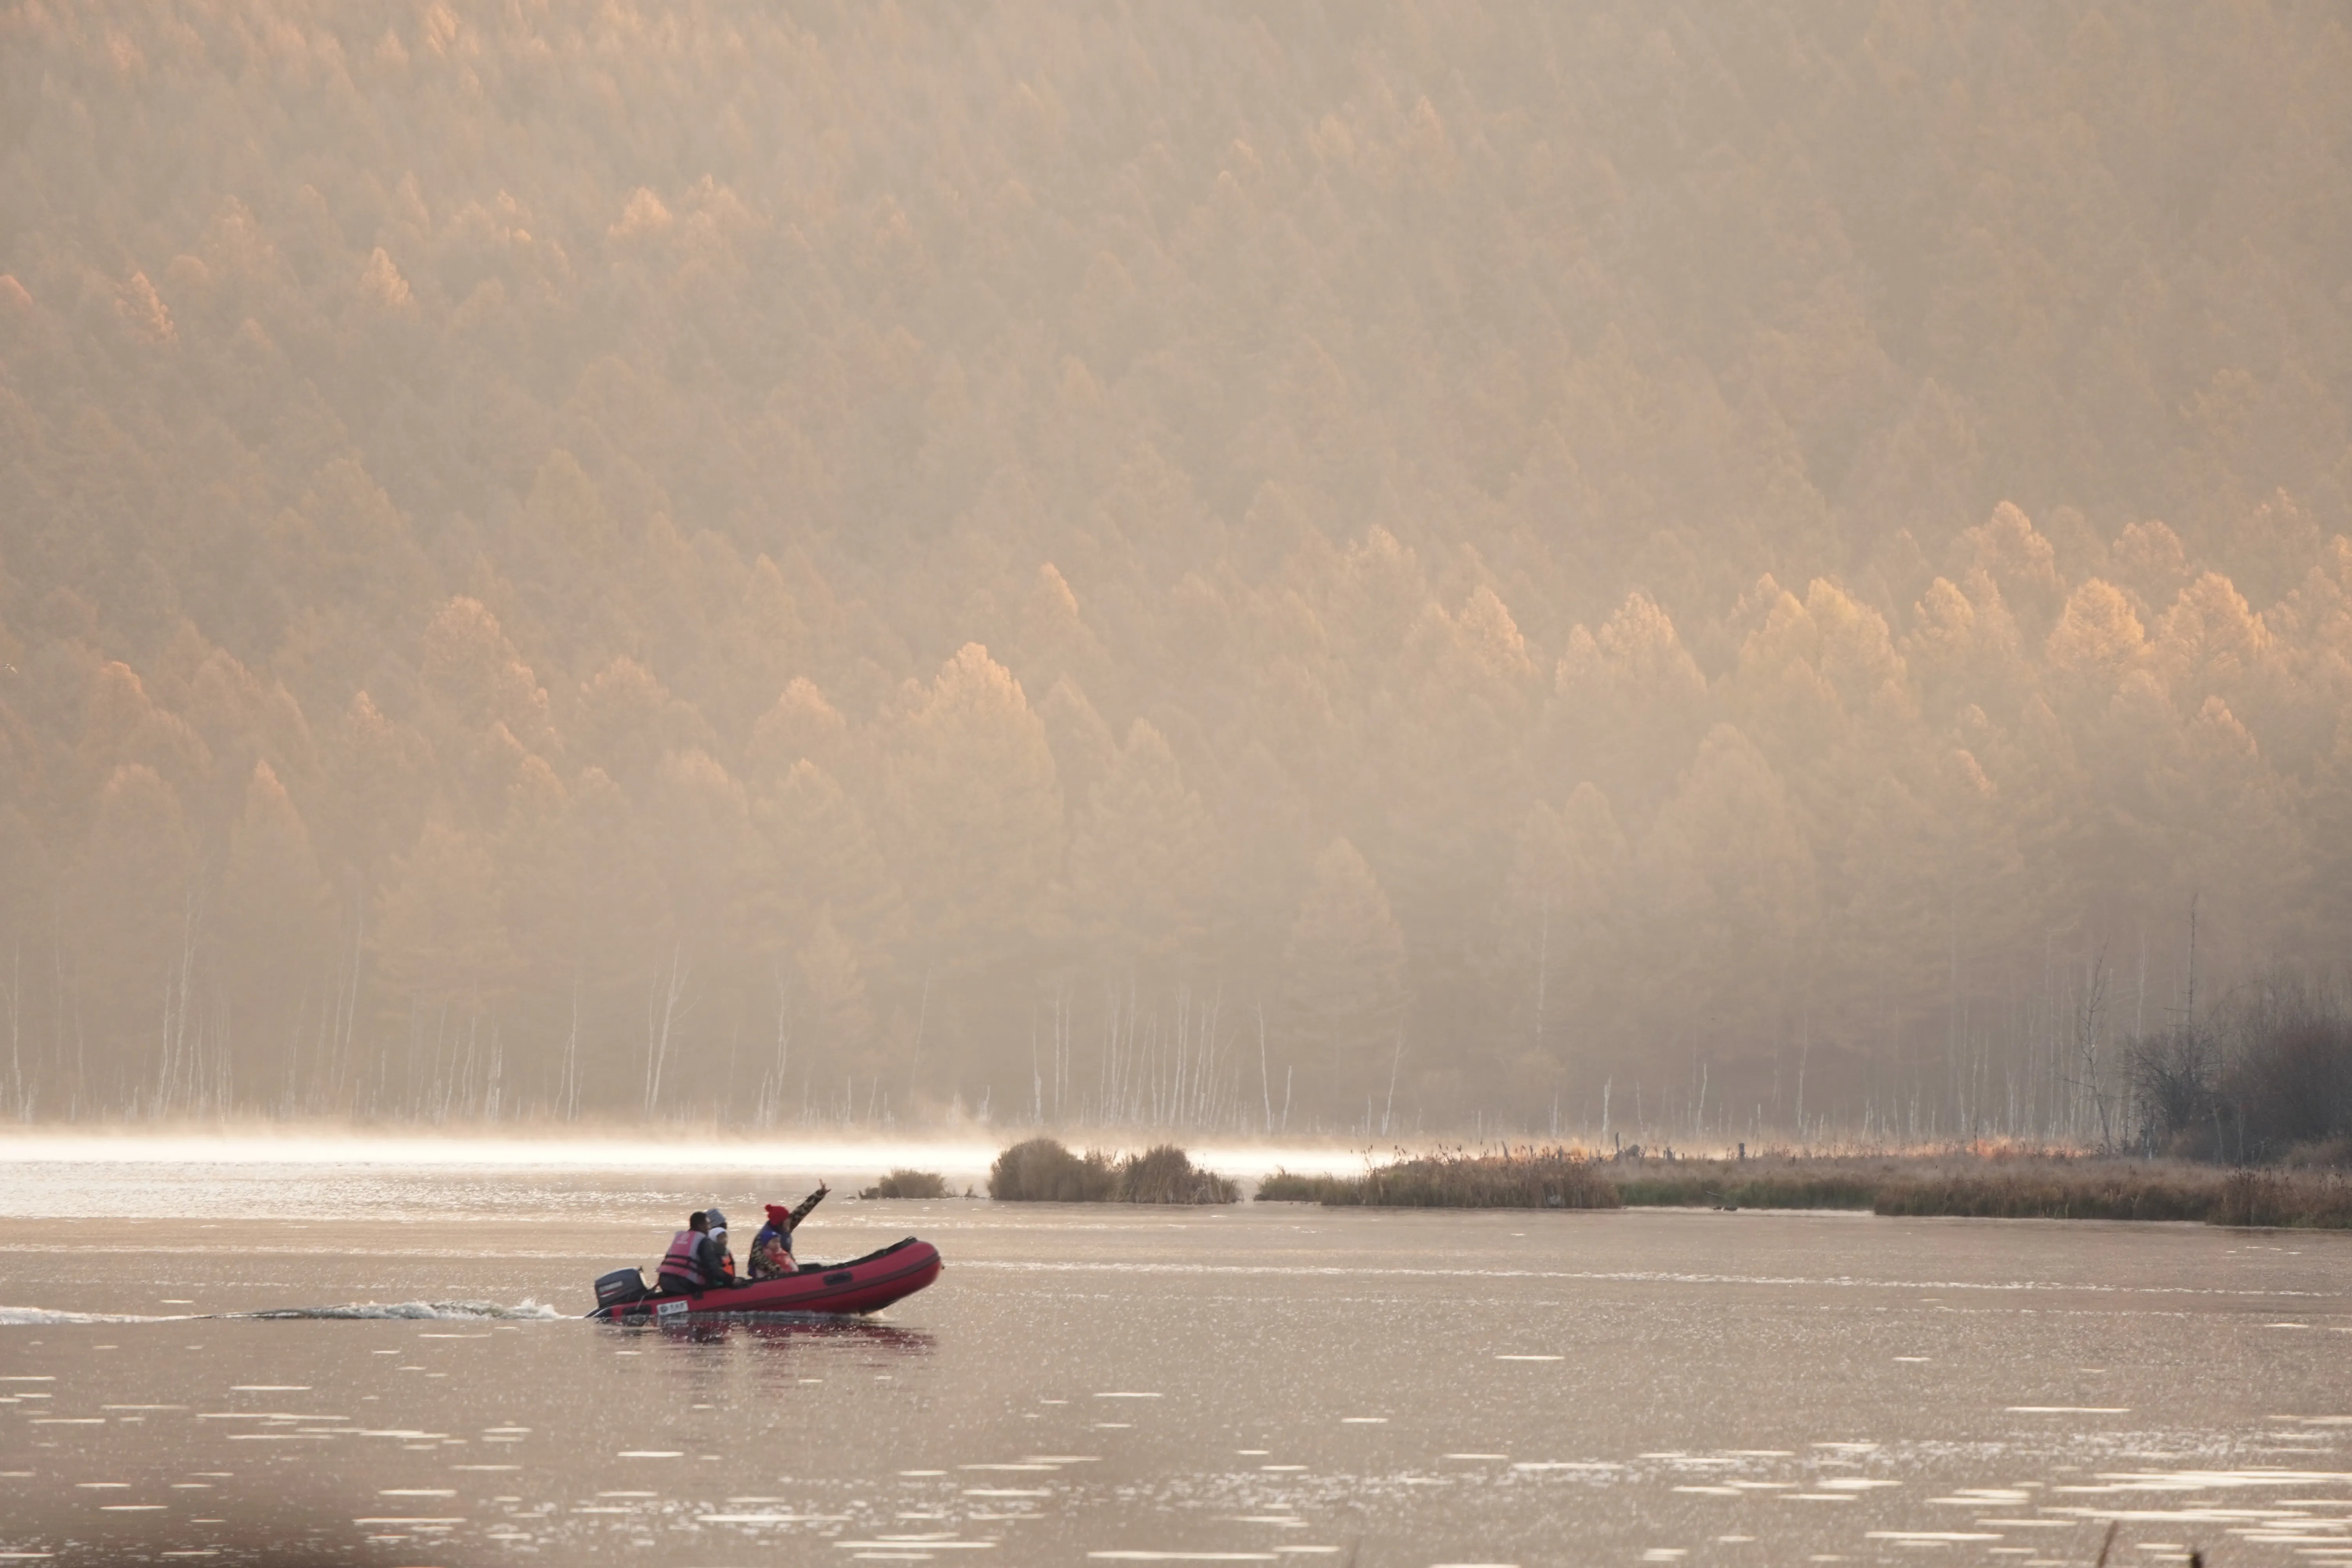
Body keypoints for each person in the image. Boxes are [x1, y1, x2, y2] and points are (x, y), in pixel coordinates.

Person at [749, 1182, 830, 1281]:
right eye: (787, 1219)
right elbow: (758, 1259)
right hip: (771, 1277)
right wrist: (779, 1270)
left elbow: (802, 1210)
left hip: (787, 1269)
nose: (790, 1220)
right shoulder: (763, 1237)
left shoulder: (784, 1227)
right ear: (780, 1222)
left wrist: (819, 1194)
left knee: (816, 1267)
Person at [655, 1210, 740, 1295]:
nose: (710, 1228)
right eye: (708, 1224)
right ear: (701, 1226)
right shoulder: (704, 1241)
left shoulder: (680, 1237)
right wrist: (732, 1280)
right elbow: (713, 1269)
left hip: (664, 1281)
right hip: (684, 1284)